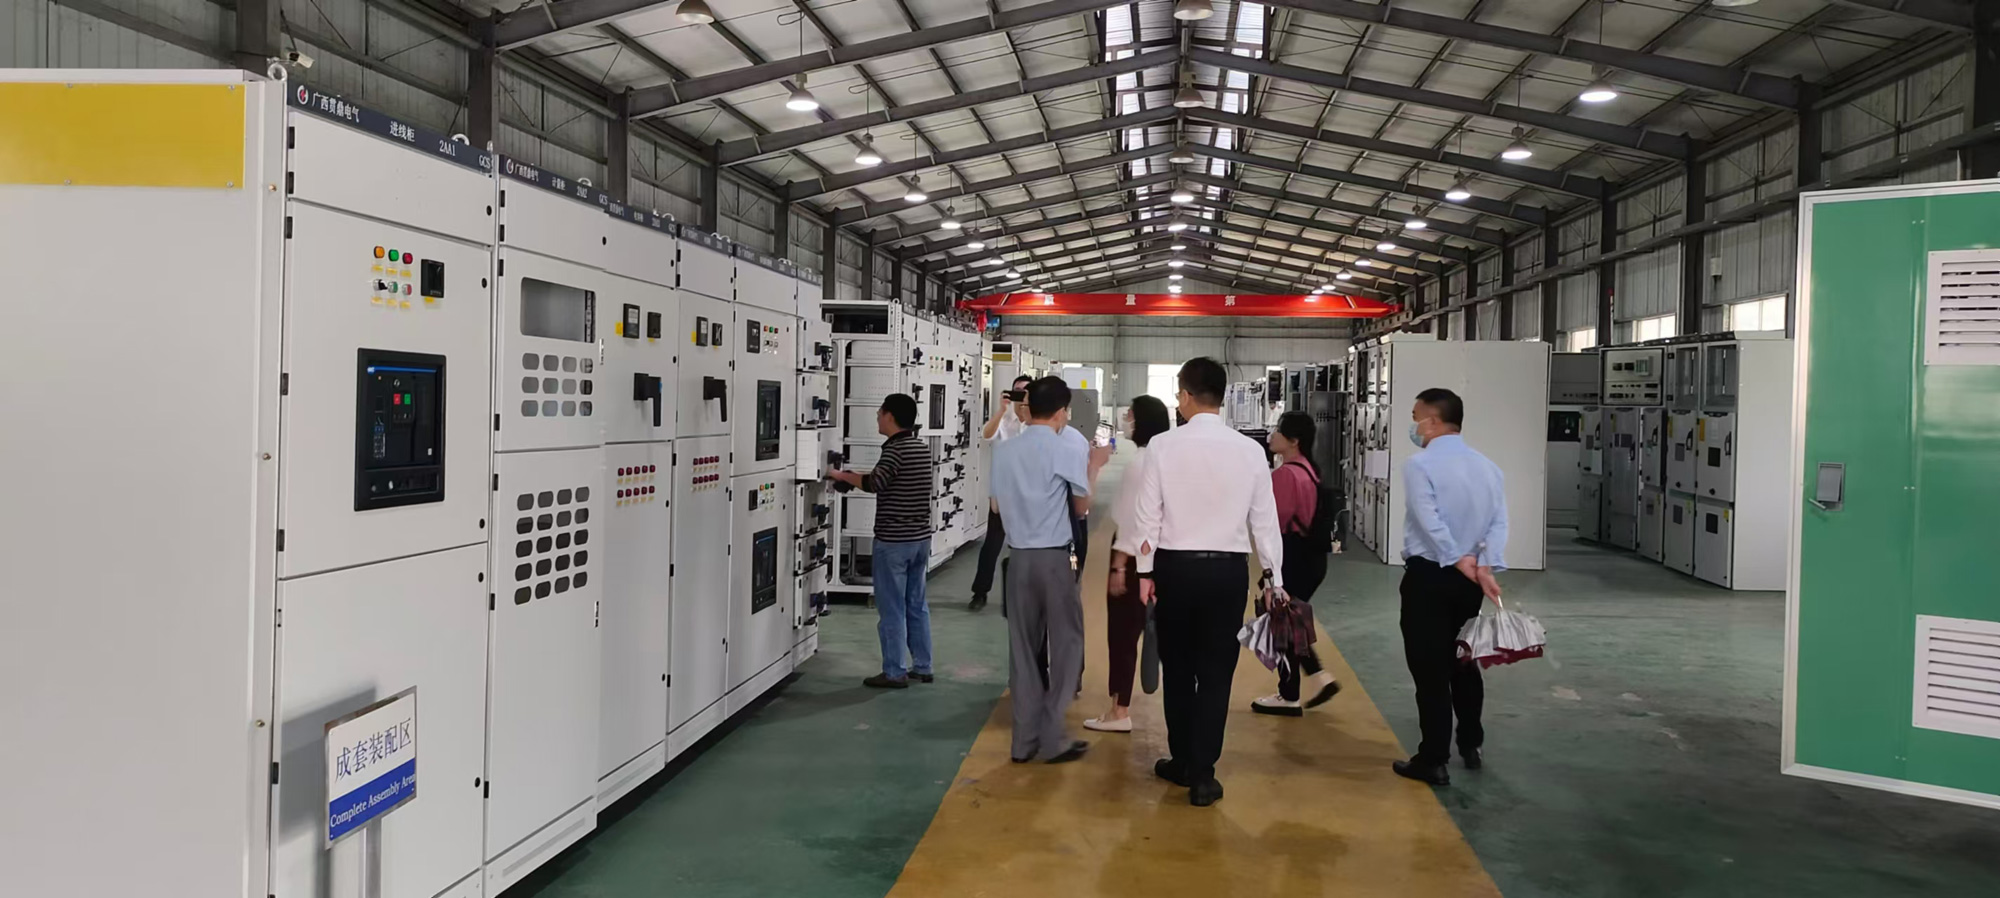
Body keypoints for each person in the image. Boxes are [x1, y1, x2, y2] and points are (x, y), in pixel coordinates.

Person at [1132, 358, 1286, 807]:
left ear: (1184, 396)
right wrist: (1274, 578)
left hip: (1174, 570)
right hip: (1227, 572)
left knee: (1178, 669)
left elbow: (1148, 515)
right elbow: (1265, 522)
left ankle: (1182, 761)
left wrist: (1144, 573)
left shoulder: (1162, 446)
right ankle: (1204, 775)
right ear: (1221, 396)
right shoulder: (1250, 451)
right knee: (1217, 673)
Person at [989, 376, 1113, 763]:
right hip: (1054, 559)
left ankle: (1023, 742)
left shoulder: (1005, 451)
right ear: (1061, 412)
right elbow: (1081, 508)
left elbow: (995, 507)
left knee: (1023, 650)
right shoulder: (1063, 449)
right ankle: (1052, 733)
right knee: (1067, 645)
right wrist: (1094, 468)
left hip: (1018, 559)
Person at [1394, 387, 1507, 786]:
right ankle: (1471, 743)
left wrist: (1456, 558)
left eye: (1415, 417)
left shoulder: (1419, 464)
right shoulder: (1488, 467)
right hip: (1469, 582)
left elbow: (1429, 519)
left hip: (1430, 575)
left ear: (1433, 420)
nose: (1413, 426)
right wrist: (1485, 566)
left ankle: (1433, 758)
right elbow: (1498, 522)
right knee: (1462, 661)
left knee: (1429, 669)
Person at [828, 394, 937, 689]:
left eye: (880, 412)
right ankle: (923, 665)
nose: (877, 415)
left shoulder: (894, 450)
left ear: (890, 416)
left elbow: (875, 483)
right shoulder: (920, 448)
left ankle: (894, 671)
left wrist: (839, 475)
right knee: (916, 604)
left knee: (891, 608)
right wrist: (852, 476)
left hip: (894, 542)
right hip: (920, 540)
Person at [1083, 395, 1172, 734]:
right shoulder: (1167, 458)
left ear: (1141, 421)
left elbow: (1132, 519)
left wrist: (1119, 564)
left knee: (1122, 634)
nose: (1126, 419)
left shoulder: (1140, 463)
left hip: (1134, 559)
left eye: (1130, 414)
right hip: (1163, 555)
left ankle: (1119, 710)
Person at [1251, 412, 1342, 717]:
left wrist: (1269, 575)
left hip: (1293, 556)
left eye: (1278, 430)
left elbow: (1271, 525)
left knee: (1282, 620)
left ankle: (1293, 692)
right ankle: (1313, 680)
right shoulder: (1309, 471)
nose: (1272, 434)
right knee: (1288, 621)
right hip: (1311, 559)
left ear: (1293, 441)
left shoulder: (1286, 476)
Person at [968, 375, 1034, 612]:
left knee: (1025, 548)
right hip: (1002, 494)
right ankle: (980, 592)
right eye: (1017, 390)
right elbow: (986, 435)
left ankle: (1022, 595)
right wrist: (1001, 409)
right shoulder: (1004, 422)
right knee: (992, 546)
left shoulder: (1036, 425)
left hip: (1028, 496)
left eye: (1025, 391)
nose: (1020, 395)